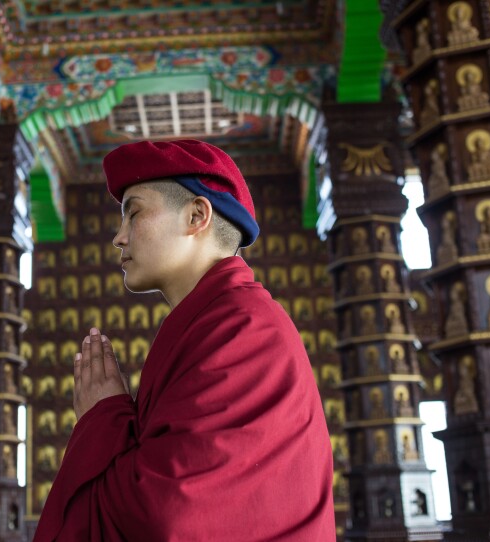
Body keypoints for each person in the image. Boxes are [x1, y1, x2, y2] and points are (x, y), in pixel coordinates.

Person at [34, 139, 334, 541]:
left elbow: (171, 514)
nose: (118, 238)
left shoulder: (245, 329)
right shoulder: (207, 322)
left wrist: (104, 417)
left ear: (196, 215)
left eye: (133, 214)